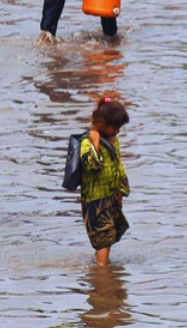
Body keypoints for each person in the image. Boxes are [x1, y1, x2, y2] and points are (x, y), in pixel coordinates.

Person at [80, 94, 130, 266]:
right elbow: (91, 164)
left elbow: (118, 164)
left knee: (110, 234)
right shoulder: (87, 142)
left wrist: (122, 189)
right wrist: (95, 144)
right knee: (102, 236)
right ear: (102, 125)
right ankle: (102, 270)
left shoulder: (113, 140)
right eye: (115, 127)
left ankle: (101, 264)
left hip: (111, 195)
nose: (117, 131)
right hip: (95, 199)